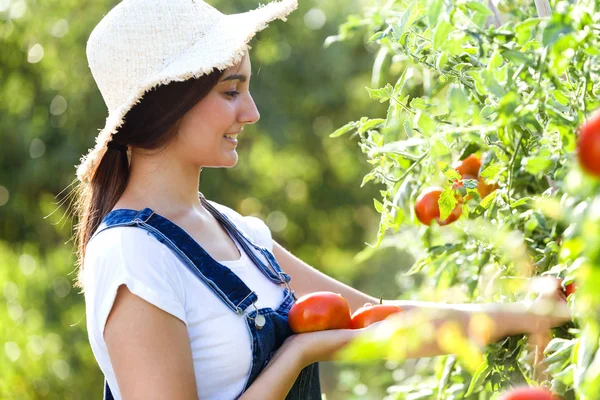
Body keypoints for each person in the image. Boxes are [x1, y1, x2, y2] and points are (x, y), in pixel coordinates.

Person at [70, 0, 571, 399]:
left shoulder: (236, 232)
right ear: (168, 103)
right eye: (231, 92)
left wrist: (529, 314)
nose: (252, 112)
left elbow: (379, 319)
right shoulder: (134, 256)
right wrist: (296, 356)